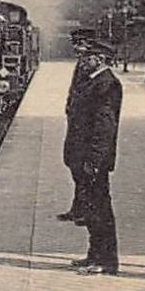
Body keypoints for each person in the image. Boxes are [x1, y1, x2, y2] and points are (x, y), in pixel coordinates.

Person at [69, 40, 122, 274]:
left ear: (99, 59)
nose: (82, 61)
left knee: (99, 208)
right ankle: (94, 255)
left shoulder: (107, 84)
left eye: (87, 57)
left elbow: (104, 128)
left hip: (93, 160)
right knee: (92, 207)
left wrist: (94, 159)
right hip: (84, 158)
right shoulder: (94, 81)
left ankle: (106, 261)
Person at [58, 30, 98, 223]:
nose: (76, 47)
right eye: (75, 43)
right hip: (76, 124)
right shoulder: (81, 64)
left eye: (79, 44)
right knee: (76, 168)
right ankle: (79, 207)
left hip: (85, 128)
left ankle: (85, 210)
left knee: (82, 171)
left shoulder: (89, 67)